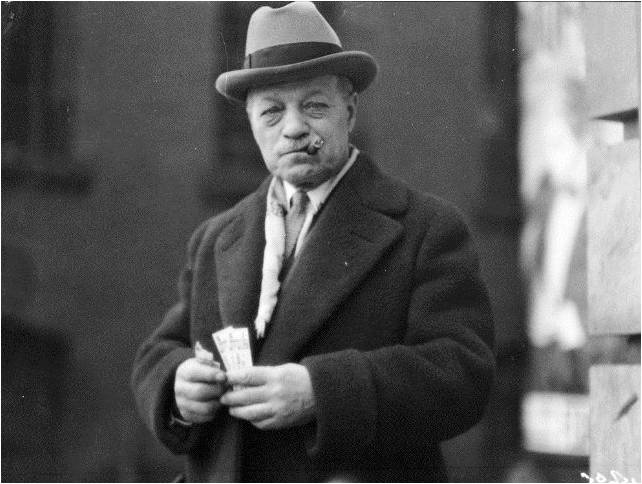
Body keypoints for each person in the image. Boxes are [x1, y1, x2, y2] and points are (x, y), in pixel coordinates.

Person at [131, 2, 495, 482]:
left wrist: (320, 392)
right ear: (250, 123)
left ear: (350, 110)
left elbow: (463, 374)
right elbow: (160, 351)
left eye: (315, 106)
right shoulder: (215, 238)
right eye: (272, 111)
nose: (294, 128)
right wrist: (177, 385)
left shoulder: (425, 228)